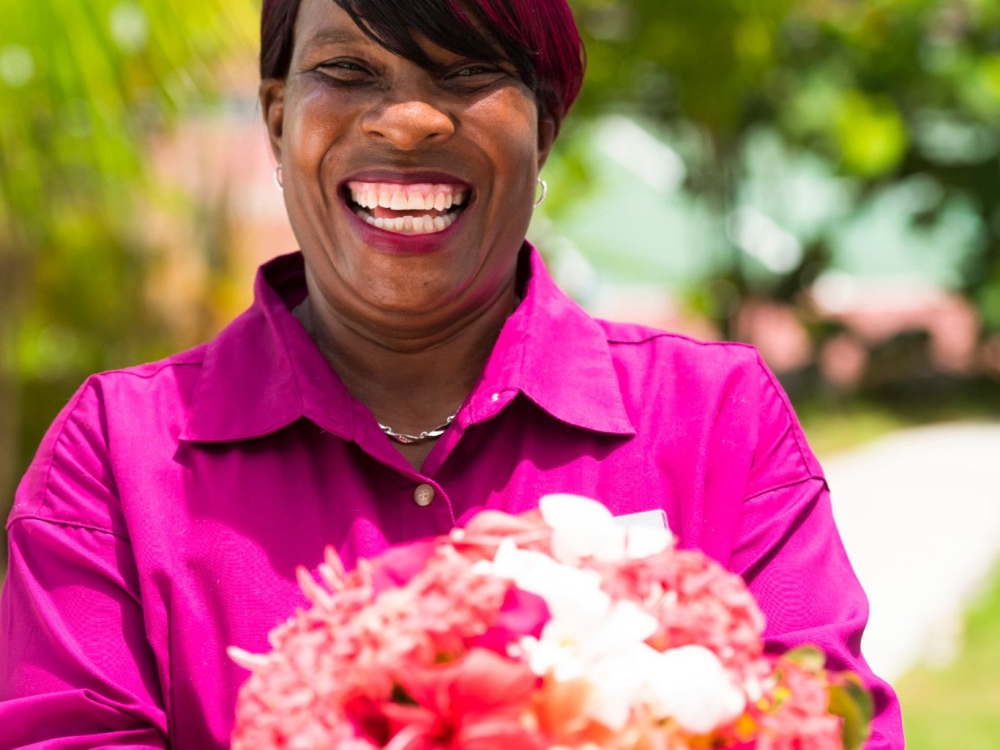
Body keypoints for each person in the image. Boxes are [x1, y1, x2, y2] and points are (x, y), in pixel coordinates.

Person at [0, 0, 903, 747]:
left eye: (465, 71)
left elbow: (820, 719)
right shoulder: (118, 455)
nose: (408, 120)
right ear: (277, 122)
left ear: (545, 127)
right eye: (350, 71)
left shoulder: (715, 420)